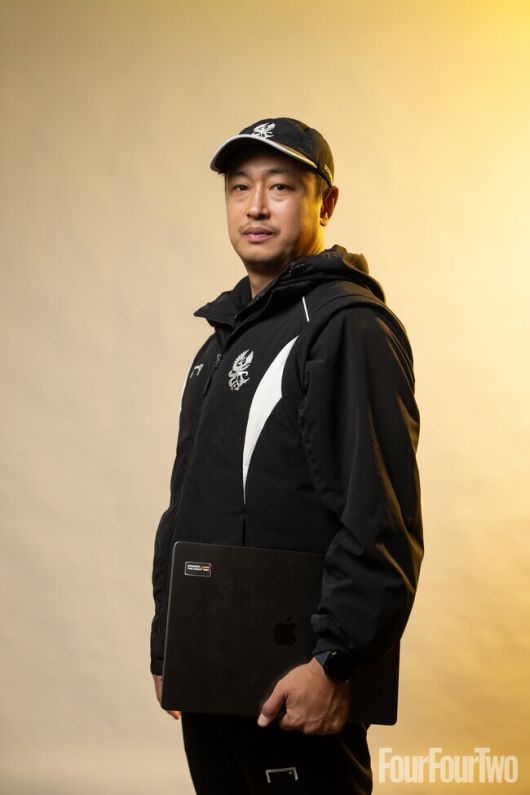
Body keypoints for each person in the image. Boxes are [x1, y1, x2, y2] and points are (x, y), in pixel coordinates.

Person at [150, 117, 423, 794]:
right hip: (212, 678)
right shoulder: (219, 343)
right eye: (239, 187)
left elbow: (379, 516)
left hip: (296, 683)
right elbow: (184, 505)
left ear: (325, 203)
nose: (256, 206)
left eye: (280, 187)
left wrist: (335, 663)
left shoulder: (347, 327)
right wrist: (170, 643)